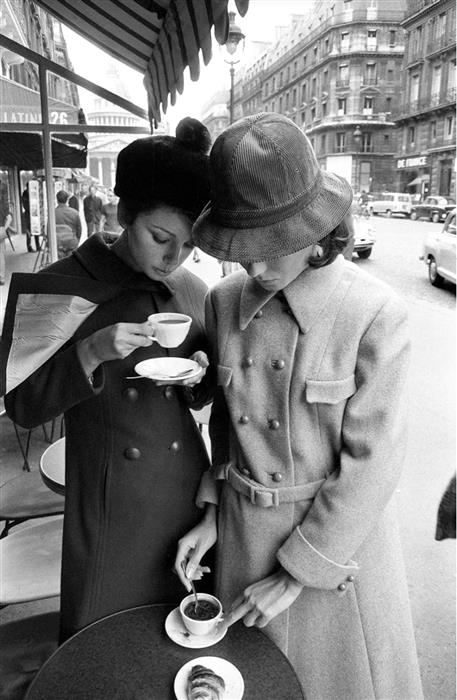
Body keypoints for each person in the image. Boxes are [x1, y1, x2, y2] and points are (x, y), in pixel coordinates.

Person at [178, 113, 423, 699]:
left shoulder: (374, 314)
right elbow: (227, 430)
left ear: (317, 230)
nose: (254, 267)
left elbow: (374, 465)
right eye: (242, 250)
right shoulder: (223, 300)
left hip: (332, 558)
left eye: (269, 247)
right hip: (241, 538)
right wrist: (213, 511)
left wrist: (295, 572)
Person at [2, 117, 217, 643]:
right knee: (103, 646)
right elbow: (23, 405)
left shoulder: (191, 288)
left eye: (188, 246)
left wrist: (203, 377)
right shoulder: (58, 287)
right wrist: (92, 350)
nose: (172, 259)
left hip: (185, 499)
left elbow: (206, 396)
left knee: (180, 643)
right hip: (108, 506)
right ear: (124, 214)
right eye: (160, 238)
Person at [21, 186, 40, 252]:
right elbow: (26, 205)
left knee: (36, 230)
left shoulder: (31, 193)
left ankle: (38, 246)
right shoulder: (25, 193)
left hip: (33, 214)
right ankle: (29, 247)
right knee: (29, 231)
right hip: (28, 215)